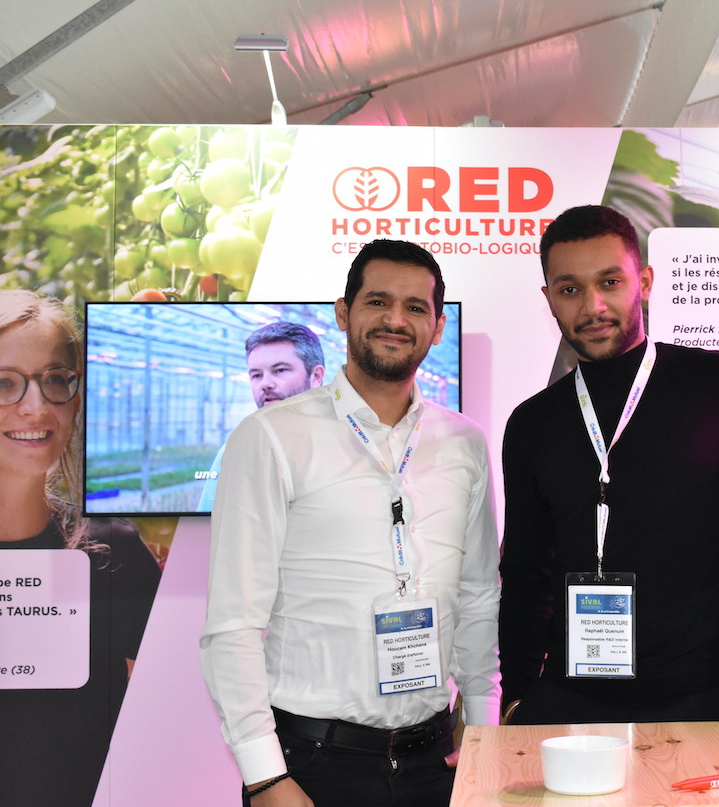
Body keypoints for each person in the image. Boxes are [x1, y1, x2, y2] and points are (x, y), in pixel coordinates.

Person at [200, 240, 500, 806]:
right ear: (344, 313)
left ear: (437, 328)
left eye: (415, 307)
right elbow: (233, 624)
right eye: (378, 301)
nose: (395, 320)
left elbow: (479, 594)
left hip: (435, 762)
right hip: (311, 765)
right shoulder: (271, 436)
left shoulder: (464, 442)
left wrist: (482, 726)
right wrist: (264, 775)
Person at [499, 205, 719, 725]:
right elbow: (526, 574)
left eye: (610, 282)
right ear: (549, 299)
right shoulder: (532, 423)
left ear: (645, 281)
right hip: (574, 704)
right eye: (570, 289)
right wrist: (518, 697)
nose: (593, 305)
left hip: (709, 700)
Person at [0, 289, 161, 806]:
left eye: (54, 379)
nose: (35, 406)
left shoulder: (113, 550)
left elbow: (174, 711)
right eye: (4, 383)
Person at [196, 321, 326, 512]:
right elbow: (207, 522)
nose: (265, 384)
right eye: (256, 375)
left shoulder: (351, 446)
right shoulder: (236, 450)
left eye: (280, 371)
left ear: (316, 376)